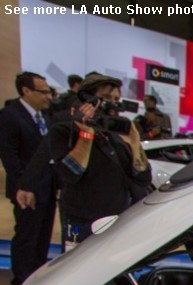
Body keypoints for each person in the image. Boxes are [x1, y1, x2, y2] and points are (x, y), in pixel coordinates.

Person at [49, 73, 151, 247]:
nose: (113, 104)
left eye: (116, 99)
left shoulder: (117, 137)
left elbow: (143, 177)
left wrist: (134, 142)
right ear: (87, 101)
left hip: (119, 220)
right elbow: (70, 173)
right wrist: (86, 134)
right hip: (84, 223)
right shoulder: (64, 131)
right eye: (106, 98)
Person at [0, 72, 55, 285]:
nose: (49, 96)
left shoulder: (46, 117)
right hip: (27, 192)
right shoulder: (10, 116)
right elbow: (10, 156)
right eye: (44, 92)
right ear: (26, 91)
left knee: (42, 239)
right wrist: (25, 186)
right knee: (26, 238)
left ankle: (37, 282)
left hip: (48, 189)